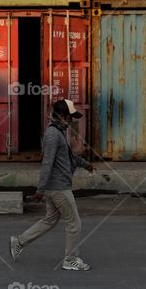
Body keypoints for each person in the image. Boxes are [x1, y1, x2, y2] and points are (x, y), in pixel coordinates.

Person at [9, 99, 94, 271]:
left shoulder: (59, 132)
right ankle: (70, 259)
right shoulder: (53, 134)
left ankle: (19, 242)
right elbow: (47, 162)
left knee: (50, 220)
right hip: (58, 187)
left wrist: (86, 165)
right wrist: (40, 189)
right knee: (74, 223)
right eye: (70, 117)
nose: (71, 121)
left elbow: (69, 157)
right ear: (62, 116)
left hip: (55, 186)